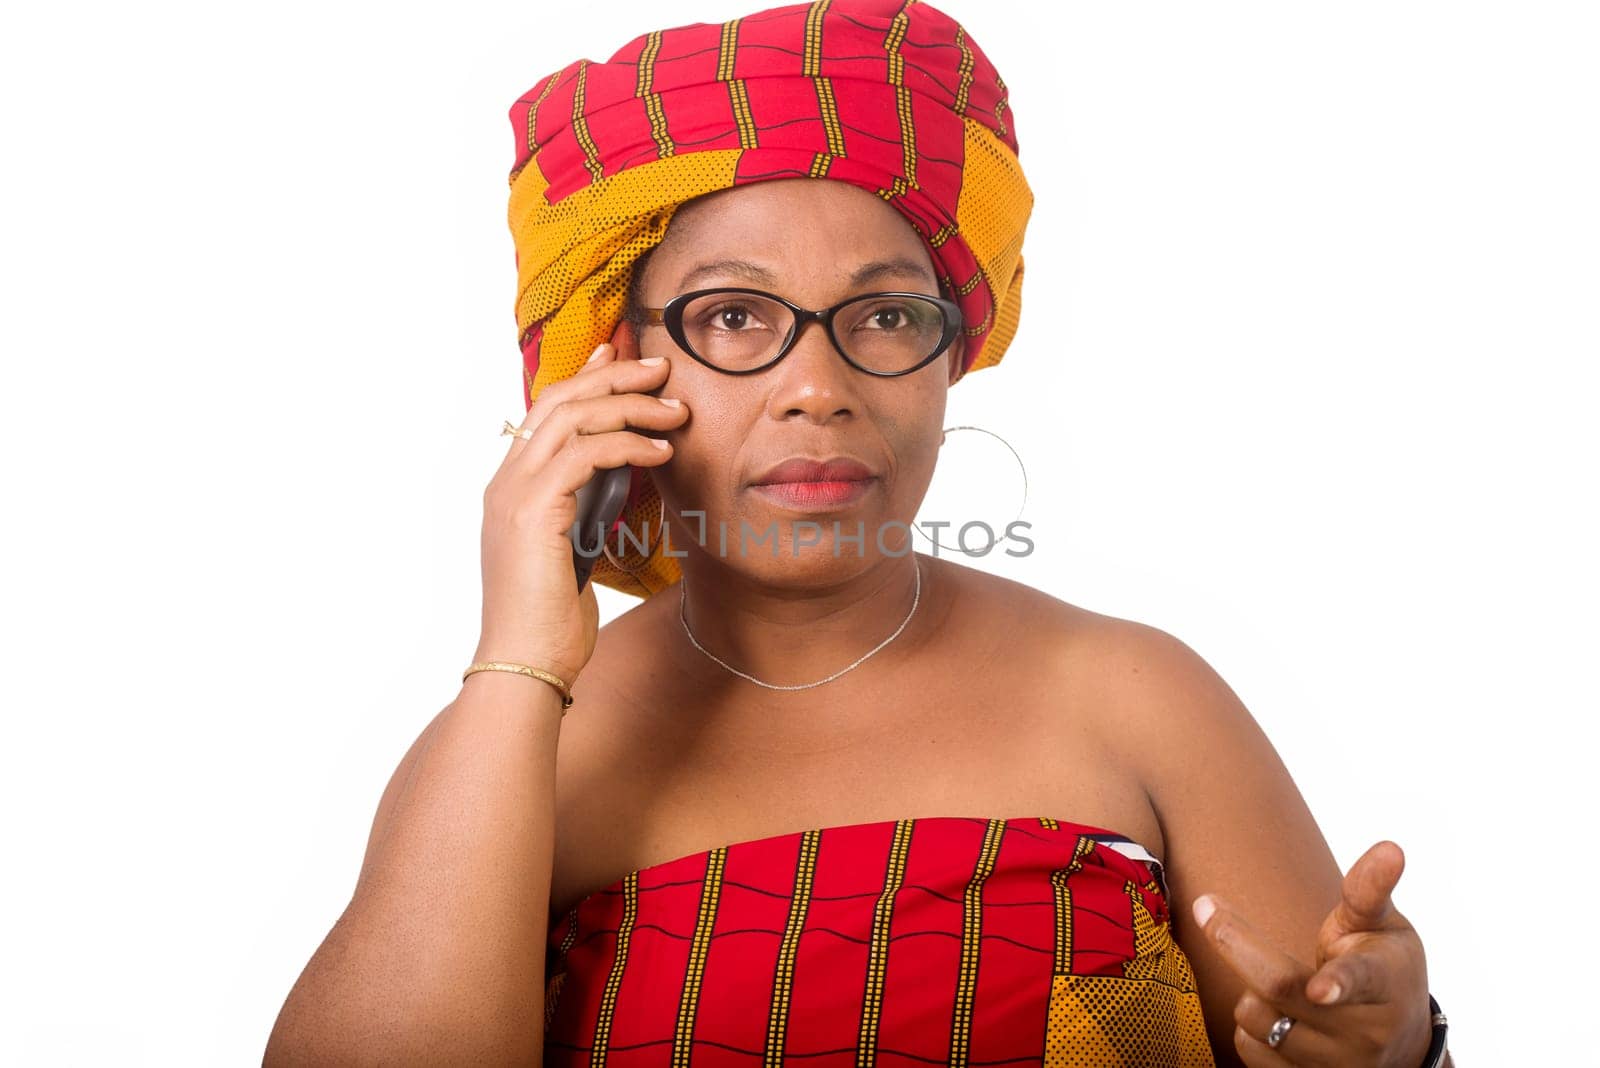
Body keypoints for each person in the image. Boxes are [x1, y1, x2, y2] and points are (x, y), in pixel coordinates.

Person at [265, 2, 1451, 1065]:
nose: (817, 385)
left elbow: (1325, 1024)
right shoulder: (517, 752)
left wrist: (1394, 1042)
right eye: (734, 315)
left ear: (946, 357)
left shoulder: (1136, 693)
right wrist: (519, 655)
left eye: (884, 314)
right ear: (616, 371)